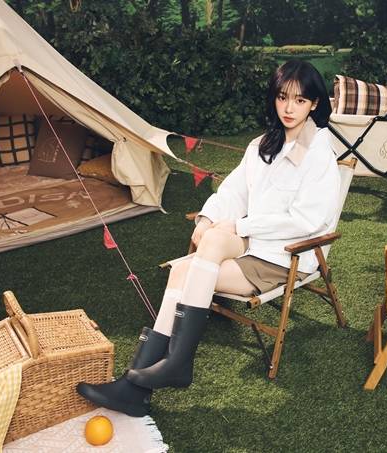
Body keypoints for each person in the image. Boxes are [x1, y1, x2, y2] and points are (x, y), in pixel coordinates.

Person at [76, 59, 341, 417]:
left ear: (314, 103)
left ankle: (147, 380)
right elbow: (232, 192)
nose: (289, 108)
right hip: (253, 242)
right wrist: (208, 218)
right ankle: (161, 373)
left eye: (299, 100)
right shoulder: (263, 145)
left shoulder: (319, 154)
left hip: (284, 256)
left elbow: (307, 220)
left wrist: (241, 227)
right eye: (282, 97)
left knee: (185, 270)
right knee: (202, 249)